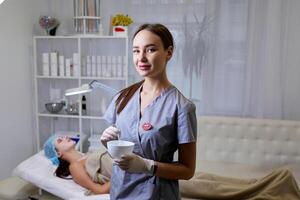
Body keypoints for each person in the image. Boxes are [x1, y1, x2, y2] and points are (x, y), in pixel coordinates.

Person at [101, 23, 197, 200]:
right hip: (119, 192)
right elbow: (122, 155)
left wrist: (148, 166)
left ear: (169, 52)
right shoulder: (122, 98)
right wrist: (109, 144)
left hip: (156, 194)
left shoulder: (182, 107)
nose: (141, 58)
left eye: (150, 50)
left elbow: (188, 170)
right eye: (136, 51)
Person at [43, 135, 112, 195]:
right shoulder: (74, 166)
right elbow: (99, 190)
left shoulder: (89, 153)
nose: (66, 137)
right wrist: (120, 176)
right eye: (60, 140)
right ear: (58, 153)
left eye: (64, 136)